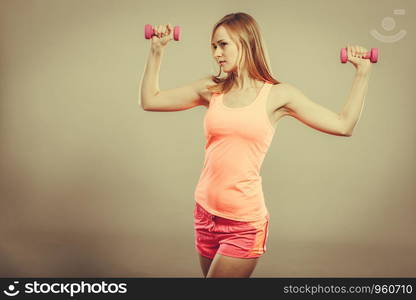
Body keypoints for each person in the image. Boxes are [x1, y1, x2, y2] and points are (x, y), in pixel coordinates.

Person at [140, 12, 372, 278]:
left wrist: (362, 74)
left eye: (223, 44)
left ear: (246, 42)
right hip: (204, 215)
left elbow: (343, 125)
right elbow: (150, 100)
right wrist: (156, 51)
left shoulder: (277, 95)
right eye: (213, 46)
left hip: (243, 224)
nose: (216, 53)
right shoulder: (212, 89)